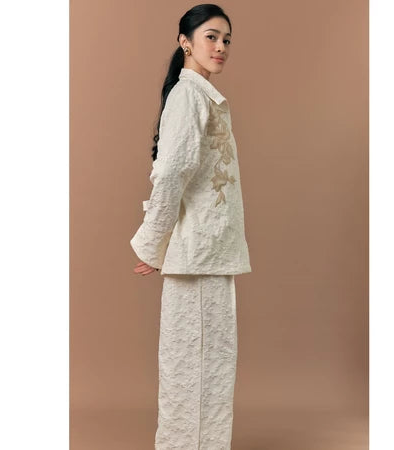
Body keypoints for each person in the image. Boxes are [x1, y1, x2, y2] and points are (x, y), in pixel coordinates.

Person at [130, 4, 251, 449]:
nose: (221, 47)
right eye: (211, 37)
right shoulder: (188, 96)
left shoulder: (204, 96)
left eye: (226, 40)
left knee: (211, 367)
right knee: (193, 367)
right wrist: (153, 243)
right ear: (185, 42)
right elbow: (171, 174)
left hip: (211, 252)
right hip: (196, 254)